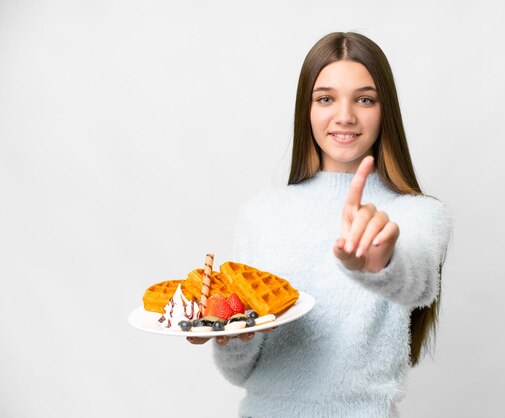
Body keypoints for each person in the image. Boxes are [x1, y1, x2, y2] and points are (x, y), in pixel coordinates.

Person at [188, 31, 452, 418]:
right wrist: (232, 339)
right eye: (326, 98)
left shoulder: (418, 213)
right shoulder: (263, 213)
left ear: (385, 111)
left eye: (364, 99)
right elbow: (241, 372)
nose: (344, 116)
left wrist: (379, 263)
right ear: (306, 110)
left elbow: (417, 281)